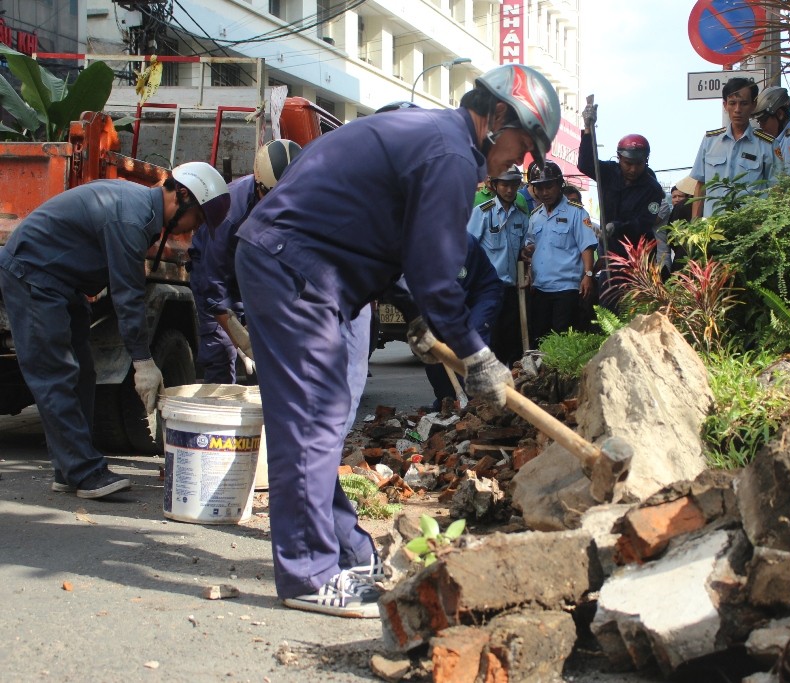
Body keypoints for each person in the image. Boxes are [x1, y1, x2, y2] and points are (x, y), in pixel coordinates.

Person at [233, 63, 560, 619]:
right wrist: (476, 353)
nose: (520, 163)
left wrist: (421, 315)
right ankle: (309, 574)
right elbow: (436, 273)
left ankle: (346, 550)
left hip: (314, 272)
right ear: (498, 116)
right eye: (522, 146)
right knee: (310, 420)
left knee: (328, 417)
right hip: (295, 270)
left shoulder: (435, 138)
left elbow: (402, 244)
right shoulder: (453, 154)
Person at [0, 163, 229, 499]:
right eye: (198, 219)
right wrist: (143, 362)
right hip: (33, 276)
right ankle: (84, 472)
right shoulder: (131, 218)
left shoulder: (142, 212)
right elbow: (128, 296)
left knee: (81, 374)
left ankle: (68, 469)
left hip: (62, 283)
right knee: (56, 373)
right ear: (181, 196)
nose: (194, 230)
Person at [188, 139, 302, 383]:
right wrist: (239, 339)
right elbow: (214, 288)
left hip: (259, 276)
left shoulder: (301, 204)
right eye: (272, 200)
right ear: (259, 186)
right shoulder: (230, 214)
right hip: (219, 274)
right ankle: (218, 415)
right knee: (221, 350)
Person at [384, 236, 503, 410]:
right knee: (432, 348)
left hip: (479, 295)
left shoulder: (462, 246)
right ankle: (446, 402)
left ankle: (476, 404)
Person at [523, 160, 598, 346]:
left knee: (563, 340)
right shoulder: (535, 216)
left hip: (567, 289)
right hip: (540, 288)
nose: (544, 192)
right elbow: (531, 244)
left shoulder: (577, 213)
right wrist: (527, 252)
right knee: (540, 339)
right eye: (539, 188)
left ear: (559, 185)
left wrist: (588, 274)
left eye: (549, 186)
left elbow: (586, 246)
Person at [577, 111, 664, 267]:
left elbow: (643, 223)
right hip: (610, 253)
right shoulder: (609, 172)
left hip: (638, 257)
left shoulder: (653, 189)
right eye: (628, 163)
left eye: (638, 164)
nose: (633, 169)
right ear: (619, 158)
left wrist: (616, 226)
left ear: (646, 160)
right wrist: (588, 129)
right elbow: (585, 164)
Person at [466, 165, 531, 364]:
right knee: (489, 340)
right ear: (495, 186)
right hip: (486, 291)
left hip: (512, 289)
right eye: (505, 185)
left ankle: (509, 388)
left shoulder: (521, 217)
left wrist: (526, 254)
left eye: (514, 185)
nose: (510, 190)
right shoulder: (482, 213)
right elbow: (469, 248)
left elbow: (523, 250)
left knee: (511, 341)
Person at [689, 77, 777, 218]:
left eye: (744, 104)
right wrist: (694, 224)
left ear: (753, 105)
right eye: (732, 103)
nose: (737, 110)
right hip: (713, 229)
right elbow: (701, 185)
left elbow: (775, 189)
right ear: (725, 105)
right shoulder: (710, 141)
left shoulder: (767, 144)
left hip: (750, 229)